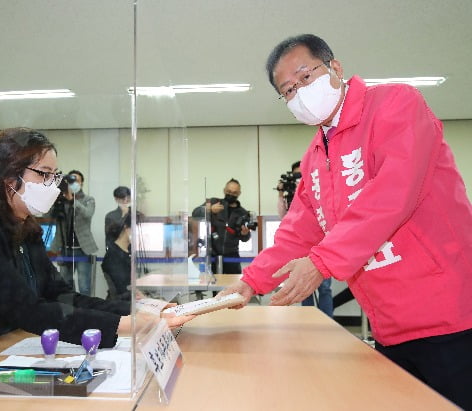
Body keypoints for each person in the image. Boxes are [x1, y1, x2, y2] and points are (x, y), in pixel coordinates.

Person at [221, 34, 472, 408]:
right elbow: (299, 230)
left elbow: (393, 193)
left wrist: (322, 263)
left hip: (450, 316)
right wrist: (250, 282)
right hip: (389, 326)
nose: (299, 93)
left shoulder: (395, 104)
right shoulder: (315, 157)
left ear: (335, 68)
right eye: (288, 90)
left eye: (305, 77)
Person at [0, 127, 193, 354]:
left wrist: (140, 308)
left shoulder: (27, 230)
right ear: (10, 177)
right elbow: (27, 309)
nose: (53, 185)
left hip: (5, 348)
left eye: (55, 175)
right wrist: (127, 325)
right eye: (44, 174)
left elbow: (62, 295)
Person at [277, 161, 332, 318]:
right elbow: (283, 216)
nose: (299, 178)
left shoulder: (318, 188)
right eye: (296, 175)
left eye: (301, 175)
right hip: (300, 244)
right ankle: (308, 319)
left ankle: (328, 320)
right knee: (303, 286)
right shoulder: (290, 193)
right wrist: (282, 194)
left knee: (325, 287)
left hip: (320, 243)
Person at [50, 170, 98, 296]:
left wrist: (72, 200)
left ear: (82, 183)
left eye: (76, 180)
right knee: (66, 284)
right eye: (71, 181)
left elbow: (88, 214)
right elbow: (48, 215)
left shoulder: (88, 199)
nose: (73, 183)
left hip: (83, 249)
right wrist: (55, 196)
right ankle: (70, 311)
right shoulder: (60, 200)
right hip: (64, 249)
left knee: (84, 286)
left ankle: (87, 312)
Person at [192, 178, 252, 274]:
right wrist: (209, 209)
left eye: (234, 193)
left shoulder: (243, 213)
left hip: (232, 257)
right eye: (229, 191)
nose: (231, 194)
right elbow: (195, 214)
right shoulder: (214, 202)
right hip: (212, 255)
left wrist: (245, 234)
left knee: (234, 287)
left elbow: (245, 238)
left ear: (239, 193)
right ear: (224, 190)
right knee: (214, 286)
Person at [101, 213, 131, 300]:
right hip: (121, 306)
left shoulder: (128, 252)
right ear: (126, 228)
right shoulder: (113, 256)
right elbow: (122, 289)